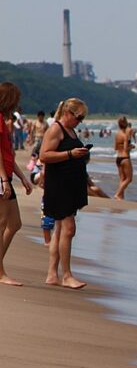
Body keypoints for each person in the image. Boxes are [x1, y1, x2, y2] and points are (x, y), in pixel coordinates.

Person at [39, 97, 90, 289]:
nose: (80, 121)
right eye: (79, 117)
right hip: (59, 187)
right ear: (68, 113)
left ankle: (52, 274)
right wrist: (70, 154)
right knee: (69, 229)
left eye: (82, 119)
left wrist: (81, 154)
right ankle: (67, 275)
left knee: (60, 230)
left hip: (69, 186)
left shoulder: (70, 129)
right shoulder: (56, 129)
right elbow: (44, 155)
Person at [0, 83, 33, 286]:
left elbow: (8, 154)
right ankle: (0, 272)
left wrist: (22, 177)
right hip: (1, 177)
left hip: (7, 174)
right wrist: (4, 179)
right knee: (2, 222)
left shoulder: (4, 121)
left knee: (15, 223)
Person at [113, 116, 134, 199]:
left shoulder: (117, 134)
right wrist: (131, 147)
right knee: (129, 179)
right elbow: (126, 149)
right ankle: (118, 193)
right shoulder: (125, 135)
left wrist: (121, 145)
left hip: (118, 158)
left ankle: (121, 196)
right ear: (125, 123)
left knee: (122, 179)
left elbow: (115, 148)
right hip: (125, 158)